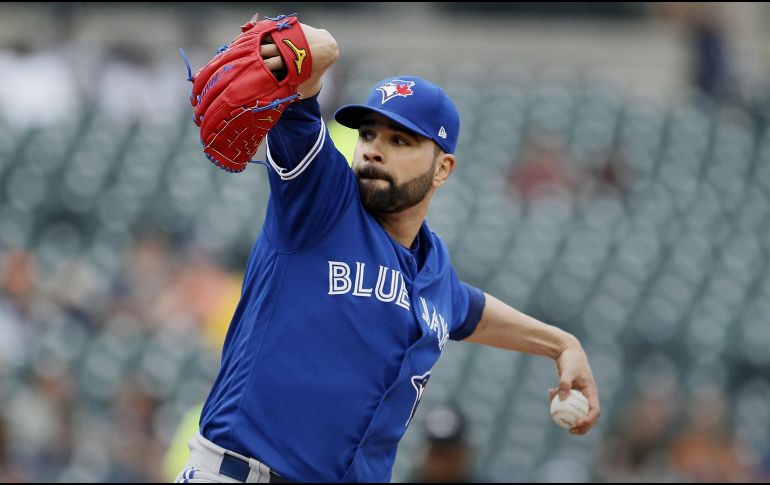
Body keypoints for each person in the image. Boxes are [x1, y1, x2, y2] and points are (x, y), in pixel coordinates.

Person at [176, 15, 601, 483]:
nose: (374, 150)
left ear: (443, 169)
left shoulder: (433, 267)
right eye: (369, 134)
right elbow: (313, 62)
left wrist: (562, 344)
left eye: (400, 140)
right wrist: (320, 51)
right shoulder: (321, 202)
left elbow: (469, 309)